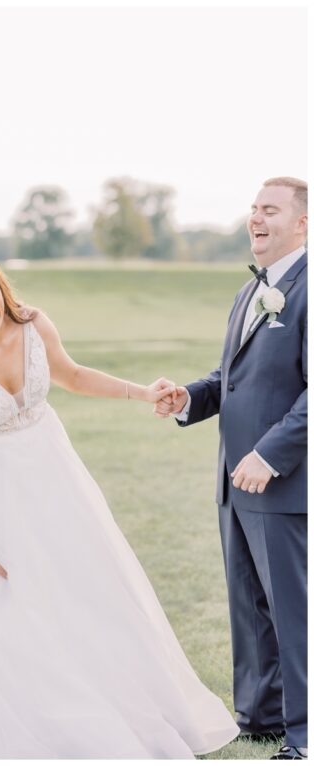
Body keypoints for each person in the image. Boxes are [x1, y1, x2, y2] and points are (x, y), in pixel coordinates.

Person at [0, 249, 239, 758]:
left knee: (81, 586)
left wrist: (142, 392)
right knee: (7, 599)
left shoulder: (32, 324)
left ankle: (104, 690)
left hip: (53, 480)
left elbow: (71, 375)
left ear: (0, 285)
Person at [155, 177, 307, 760]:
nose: (256, 218)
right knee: (249, 606)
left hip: (282, 480)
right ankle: (262, 716)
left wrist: (270, 454)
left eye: (270, 210)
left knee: (293, 611)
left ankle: (305, 733)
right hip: (233, 479)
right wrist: (190, 399)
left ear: (302, 223)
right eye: (253, 209)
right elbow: (234, 376)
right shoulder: (252, 292)